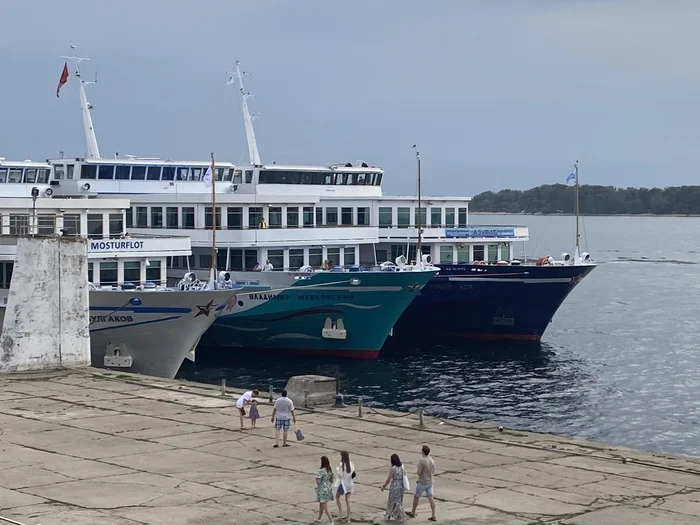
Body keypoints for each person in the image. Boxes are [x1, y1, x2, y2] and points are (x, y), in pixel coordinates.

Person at [406, 445, 436, 521]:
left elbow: (419, 472)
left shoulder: (422, 460)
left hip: (422, 482)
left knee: (416, 497)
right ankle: (433, 515)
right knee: (431, 497)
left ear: (422, 451)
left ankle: (413, 512)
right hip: (430, 481)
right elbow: (433, 471)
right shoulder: (432, 460)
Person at [382, 453, 406, 523]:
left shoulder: (393, 468)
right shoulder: (402, 467)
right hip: (401, 485)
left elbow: (389, 479)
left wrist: (384, 486)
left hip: (394, 485)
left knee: (391, 501)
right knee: (399, 501)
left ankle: (389, 514)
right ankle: (400, 515)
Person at [335, 451, 355, 522]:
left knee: (337, 497)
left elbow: (341, 476)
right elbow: (353, 474)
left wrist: (337, 470)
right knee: (348, 500)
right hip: (350, 483)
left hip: (343, 484)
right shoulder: (351, 464)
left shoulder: (342, 465)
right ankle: (348, 517)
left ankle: (340, 513)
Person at [316, 456, 335, 524]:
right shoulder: (329, 470)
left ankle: (331, 520)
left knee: (325, 505)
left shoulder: (321, 471)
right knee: (322, 504)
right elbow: (332, 481)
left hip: (322, 489)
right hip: (328, 488)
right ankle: (319, 518)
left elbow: (318, 481)